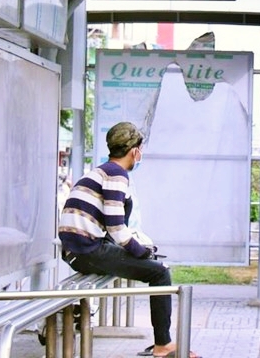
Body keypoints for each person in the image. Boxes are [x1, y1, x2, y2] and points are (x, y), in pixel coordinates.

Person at [58, 122, 197, 358]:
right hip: (88, 251)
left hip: (78, 249)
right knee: (160, 272)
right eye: (140, 150)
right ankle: (163, 344)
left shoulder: (99, 171)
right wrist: (141, 252)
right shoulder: (116, 175)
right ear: (134, 151)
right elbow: (116, 227)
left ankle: (163, 342)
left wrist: (136, 250)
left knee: (149, 262)